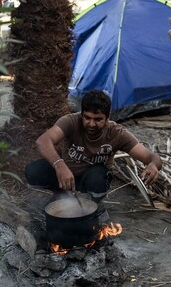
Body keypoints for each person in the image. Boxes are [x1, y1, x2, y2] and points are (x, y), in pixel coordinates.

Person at [25, 90, 162, 215]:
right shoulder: (70, 121)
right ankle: (60, 194)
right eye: (87, 118)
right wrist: (59, 165)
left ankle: (92, 205)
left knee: (98, 176)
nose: (91, 124)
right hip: (66, 175)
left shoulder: (117, 133)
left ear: (107, 117)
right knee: (33, 171)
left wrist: (153, 165)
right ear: (81, 114)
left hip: (92, 178)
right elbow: (42, 141)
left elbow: (151, 157)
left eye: (98, 119)